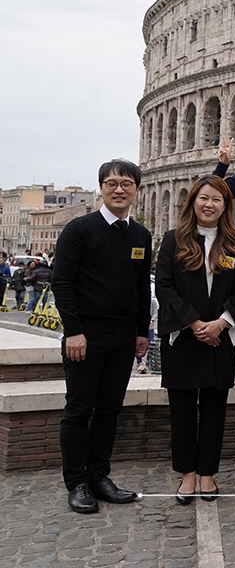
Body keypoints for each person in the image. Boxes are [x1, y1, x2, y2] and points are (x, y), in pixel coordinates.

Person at [52, 159, 152, 514]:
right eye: (112, 183)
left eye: (127, 183)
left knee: (109, 410)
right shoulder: (80, 230)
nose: (119, 189)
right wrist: (73, 331)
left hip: (123, 336)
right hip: (86, 336)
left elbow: (141, 287)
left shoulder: (140, 235)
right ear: (101, 188)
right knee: (79, 410)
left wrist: (143, 332)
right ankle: (76, 482)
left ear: (136, 190)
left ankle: (99, 476)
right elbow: (61, 282)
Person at [155, 176, 235, 505]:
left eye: (217, 199)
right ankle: (187, 475)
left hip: (220, 337)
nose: (209, 204)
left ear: (225, 206)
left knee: (214, 409)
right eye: (203, 198)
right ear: (192, 201)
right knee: (181, 411)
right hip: (184, 337)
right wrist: (194, 323)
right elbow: (164, 287)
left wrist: (221, 324)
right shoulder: (173, 239)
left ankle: (207, 473)